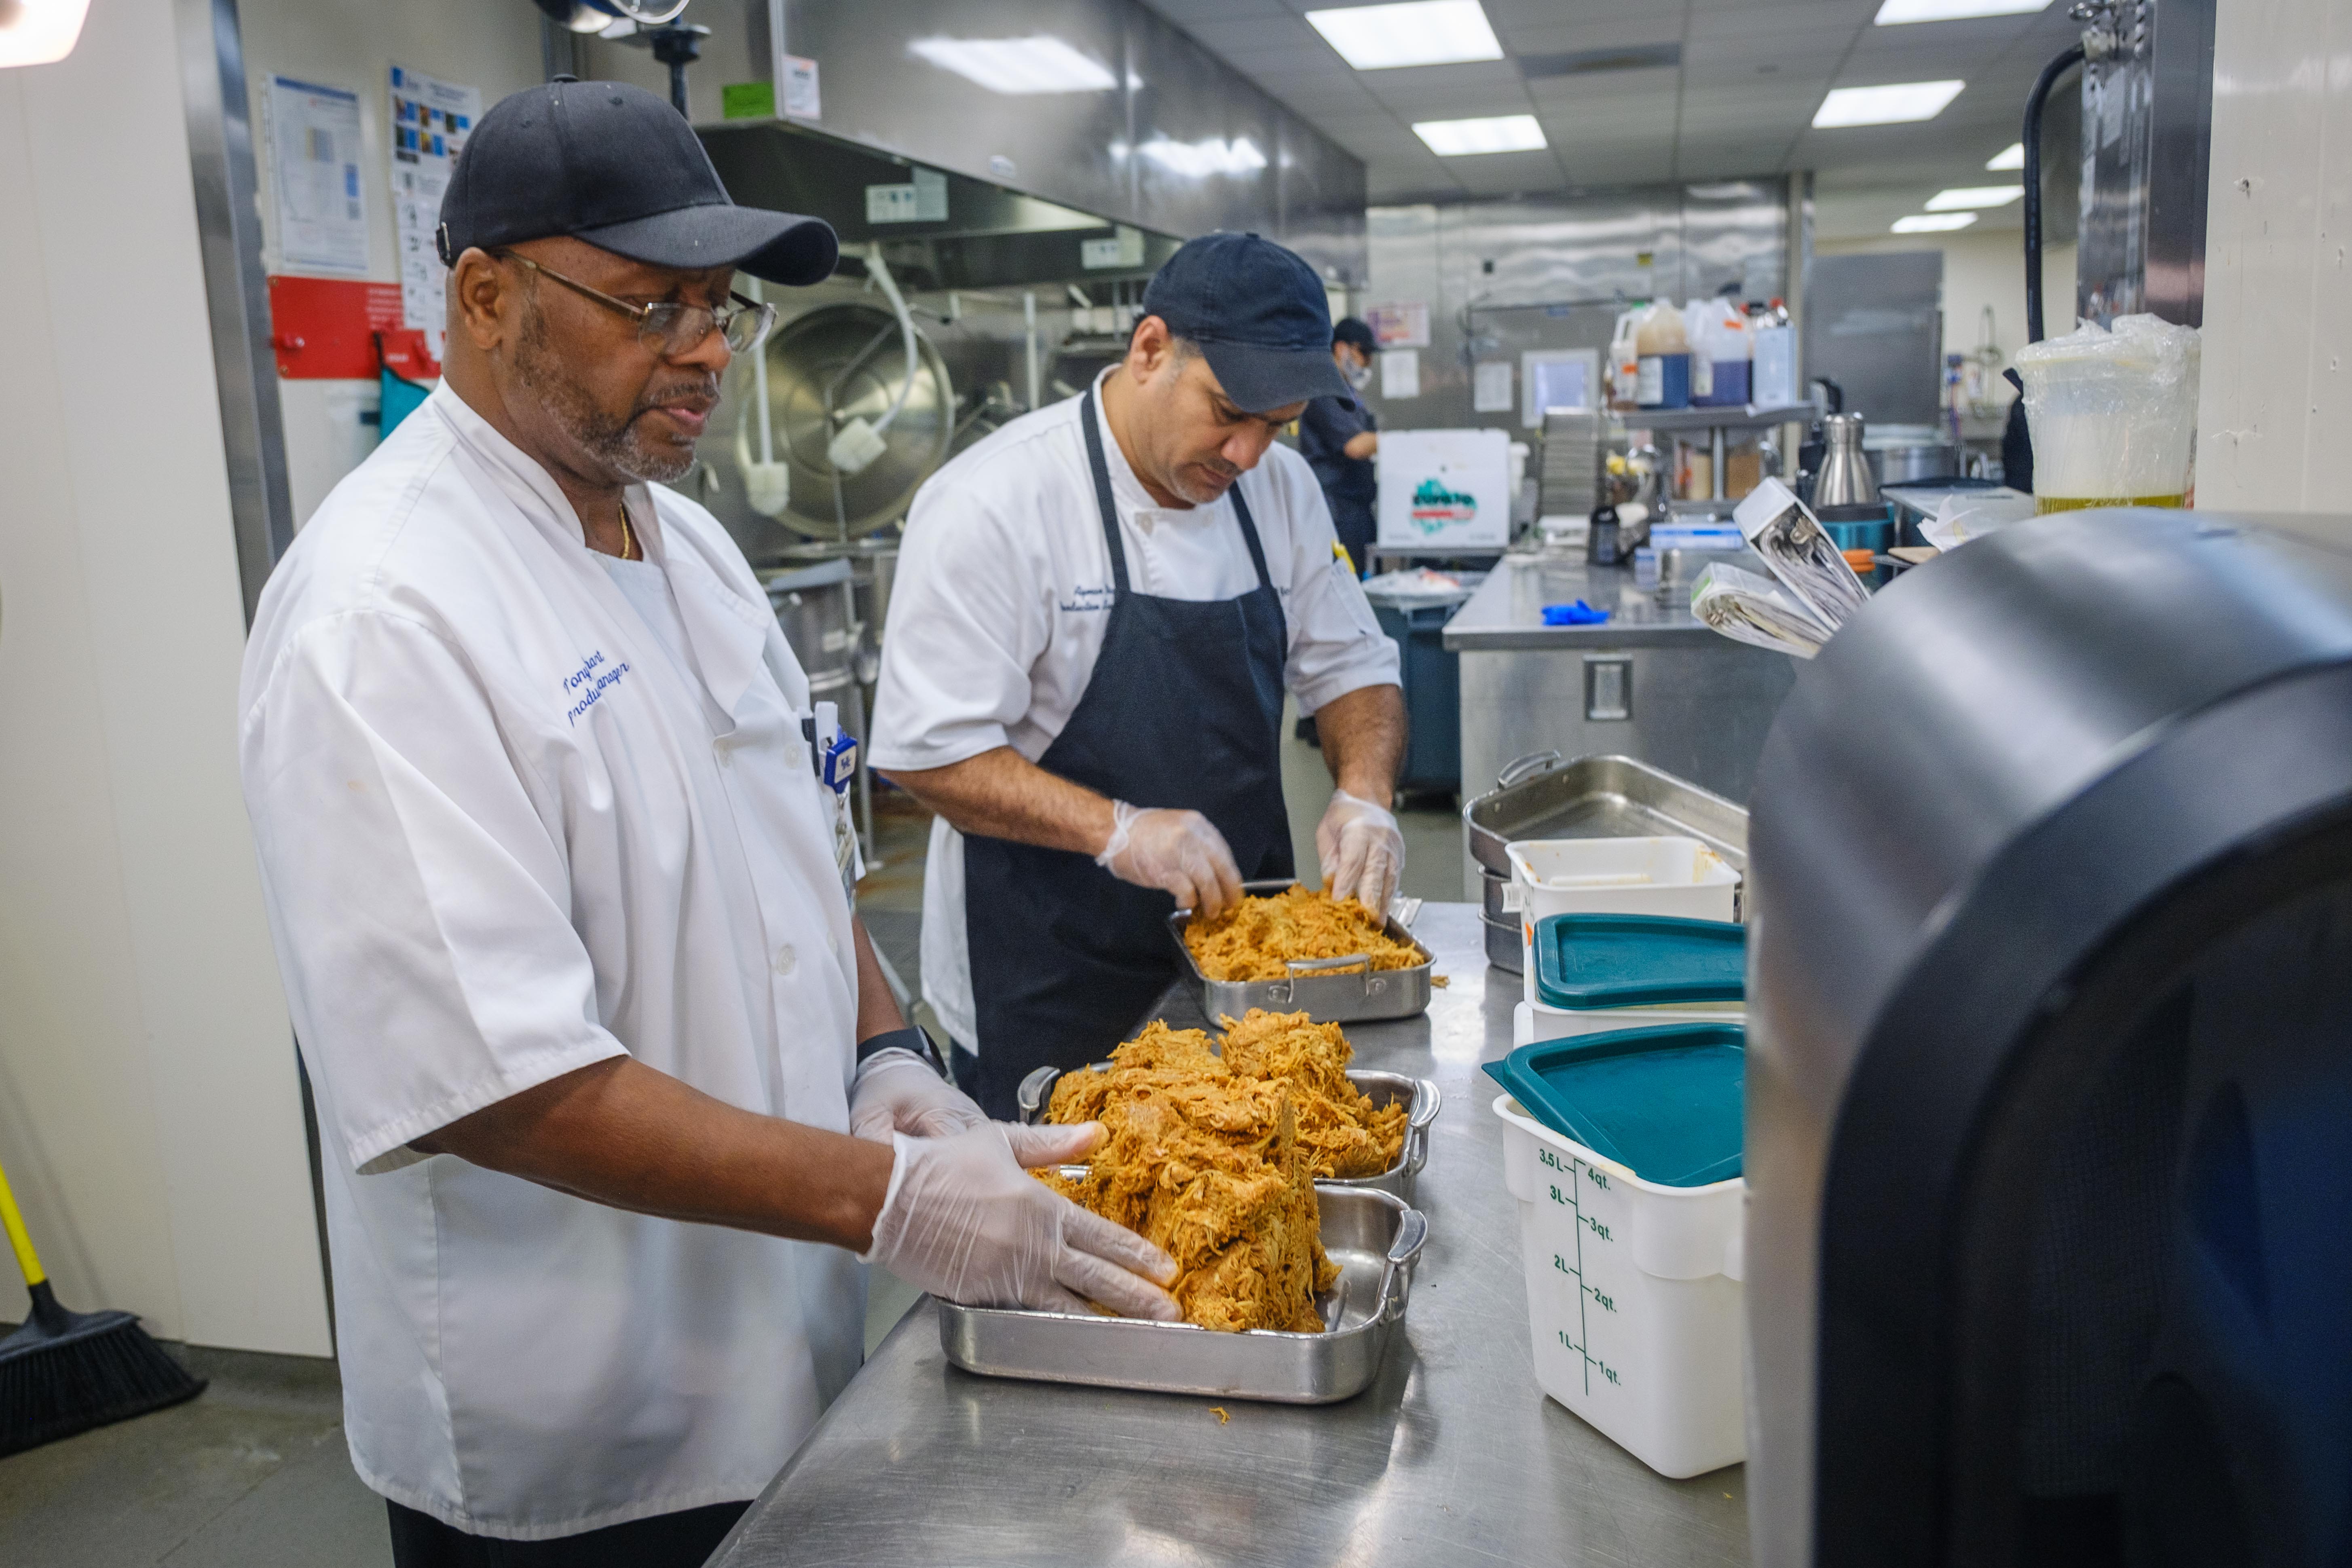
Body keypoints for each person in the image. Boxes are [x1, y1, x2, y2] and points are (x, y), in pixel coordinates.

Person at [237, 80, 1177, 1568]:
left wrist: (884, 1059)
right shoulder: (384, 614)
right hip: (575, 1421)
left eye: (717, 305)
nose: (705, 352)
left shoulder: (687, 541)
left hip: (787, 1339)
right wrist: (887, 1198)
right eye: (647, 304)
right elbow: (499, 1081)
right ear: (484, 297)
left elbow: (795, 844)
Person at [870, 234, 1410, 1120]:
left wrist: (1365, 792)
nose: (1244, 454)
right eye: (1227, 412)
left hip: (1244, 965)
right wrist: (1116, 829)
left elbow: (1352, 663)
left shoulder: (1280, 491)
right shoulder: (997, 503)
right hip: (1048, 975)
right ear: (1150, 349)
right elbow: (926, 753)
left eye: (1274, 428)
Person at [1299, 316, 1382, 575]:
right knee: (1346, 585)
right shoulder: (1325, 391)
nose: (1367, 362)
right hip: (1336, 510)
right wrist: (1399, 442)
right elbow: (1355, 446)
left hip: (1355, 508)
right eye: (1363, 353)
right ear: (1341, 348)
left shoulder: (1348, 393)